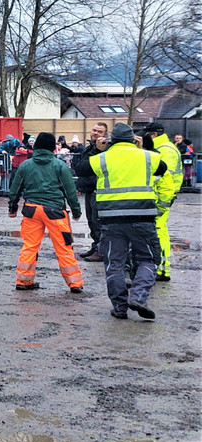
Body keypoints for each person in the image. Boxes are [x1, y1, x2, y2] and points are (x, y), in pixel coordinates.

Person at [76, 123, 167, 320]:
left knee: (114, 263)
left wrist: (96, 149)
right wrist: (143, 148)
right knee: (149, 259)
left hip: (111, 219)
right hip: (143, 217)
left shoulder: (101, 158)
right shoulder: (148, 156)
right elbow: (163, 168)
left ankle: (119, 307)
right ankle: (138, 296)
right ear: (133, 139)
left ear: (111, 140)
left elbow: (81, 169)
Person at [8, 132, 84, 293]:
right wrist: (76, 211)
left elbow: (15, 188)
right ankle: (75, 283)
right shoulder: (60, 166)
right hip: (55, 210)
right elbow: (70, 191)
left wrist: (12, 208)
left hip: (31, 210)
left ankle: (23, 280)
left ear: (36, 147)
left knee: (30, 246)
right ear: (53, 148)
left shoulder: (26, 165)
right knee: (64, 247)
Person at [140, 121, 183, 282]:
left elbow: (165, 179)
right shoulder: (162, 148)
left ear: (154, 134)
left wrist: (161, 204)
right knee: (157, 233)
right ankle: (158, 268)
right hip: (158, 197)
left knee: (158, 233)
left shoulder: (165, 150)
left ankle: (162, 270)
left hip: (160, 199)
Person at [75, 122, 109, 262]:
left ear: (105, 134)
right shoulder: (90, 147)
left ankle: (101, 251)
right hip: (89, 189)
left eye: (99, 131)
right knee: (91, 221)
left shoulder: (104, 149)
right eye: (94, 130)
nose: (95, 133)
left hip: (98, 190)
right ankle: (96, 247)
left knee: (97, 222)